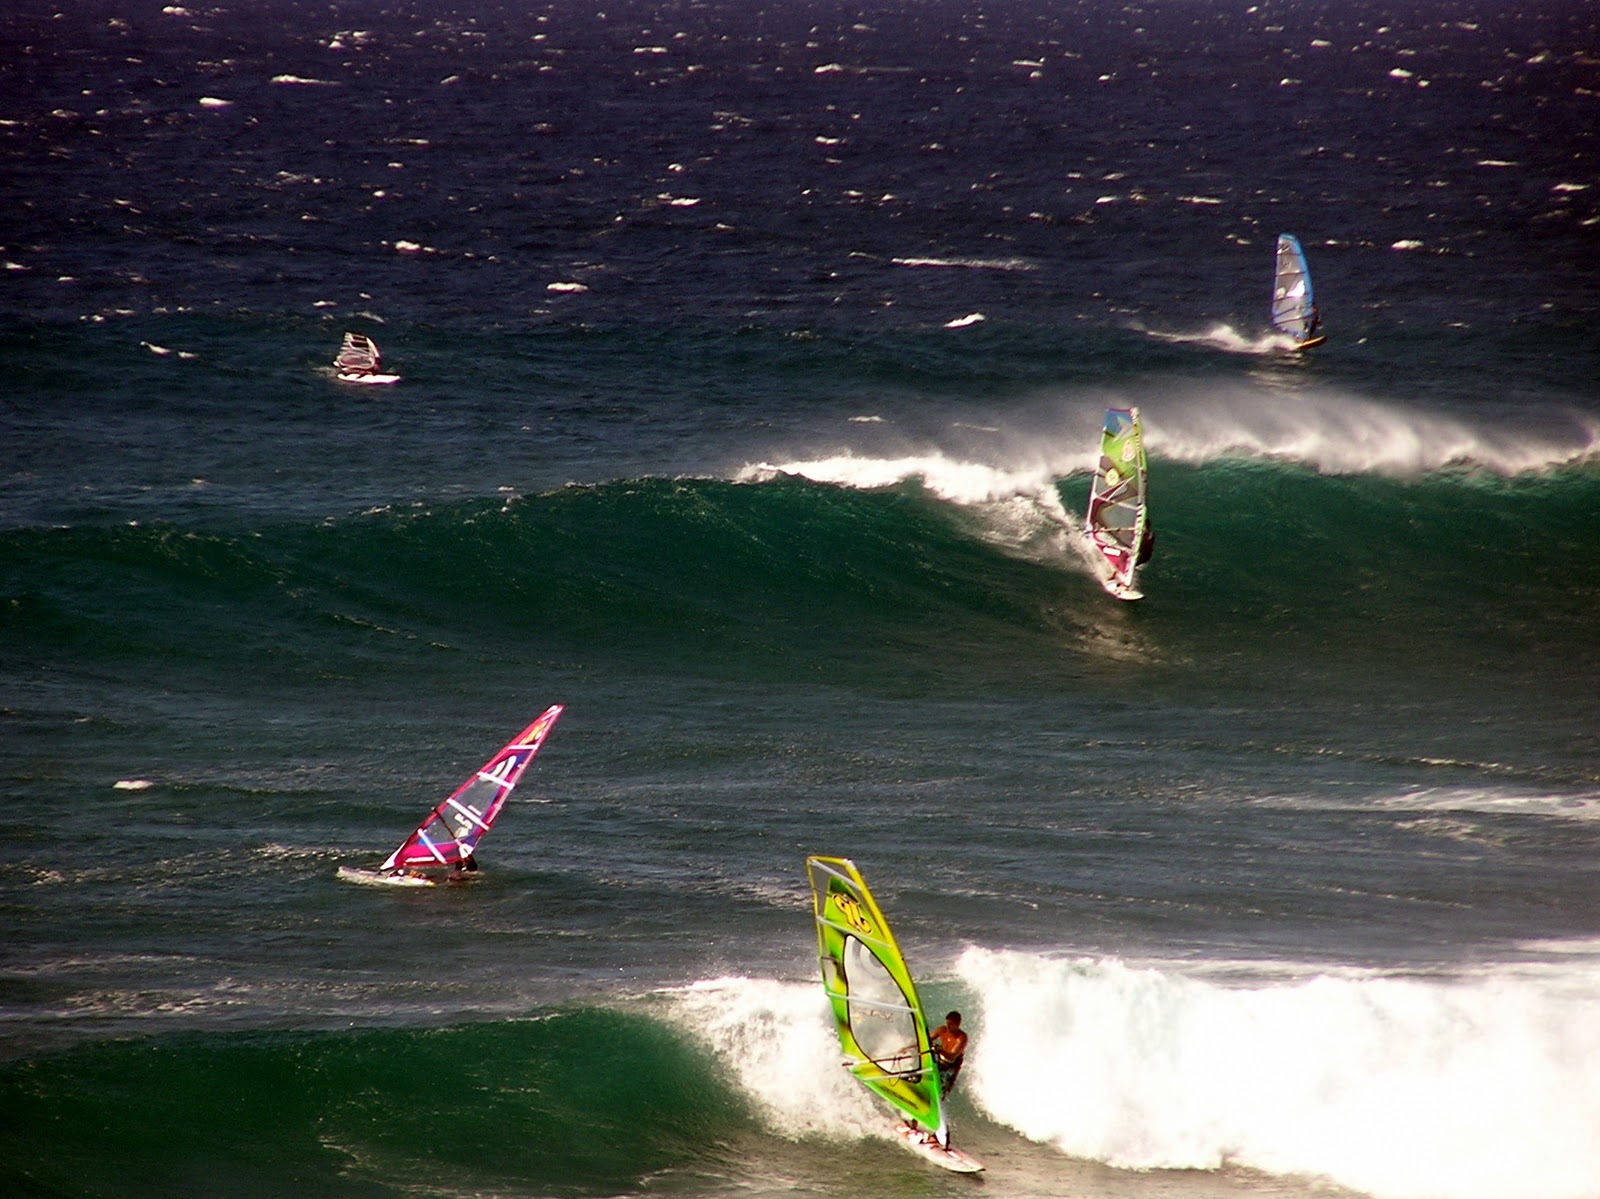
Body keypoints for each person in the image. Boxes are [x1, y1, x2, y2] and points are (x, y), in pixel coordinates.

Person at [928, 1011, 968, 1098]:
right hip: (940, 1061)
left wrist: (939, 1050)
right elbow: (925, 1040)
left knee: (942, 1091)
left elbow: (952, 1057)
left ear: (958, 1024)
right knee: (929, 1077)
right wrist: (906, 1047)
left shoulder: (962, 1038)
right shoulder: (942, 1030)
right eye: (947, 1023)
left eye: (951, 1024)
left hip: (951, 1066)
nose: (948, 1027)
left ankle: (938, 1103)